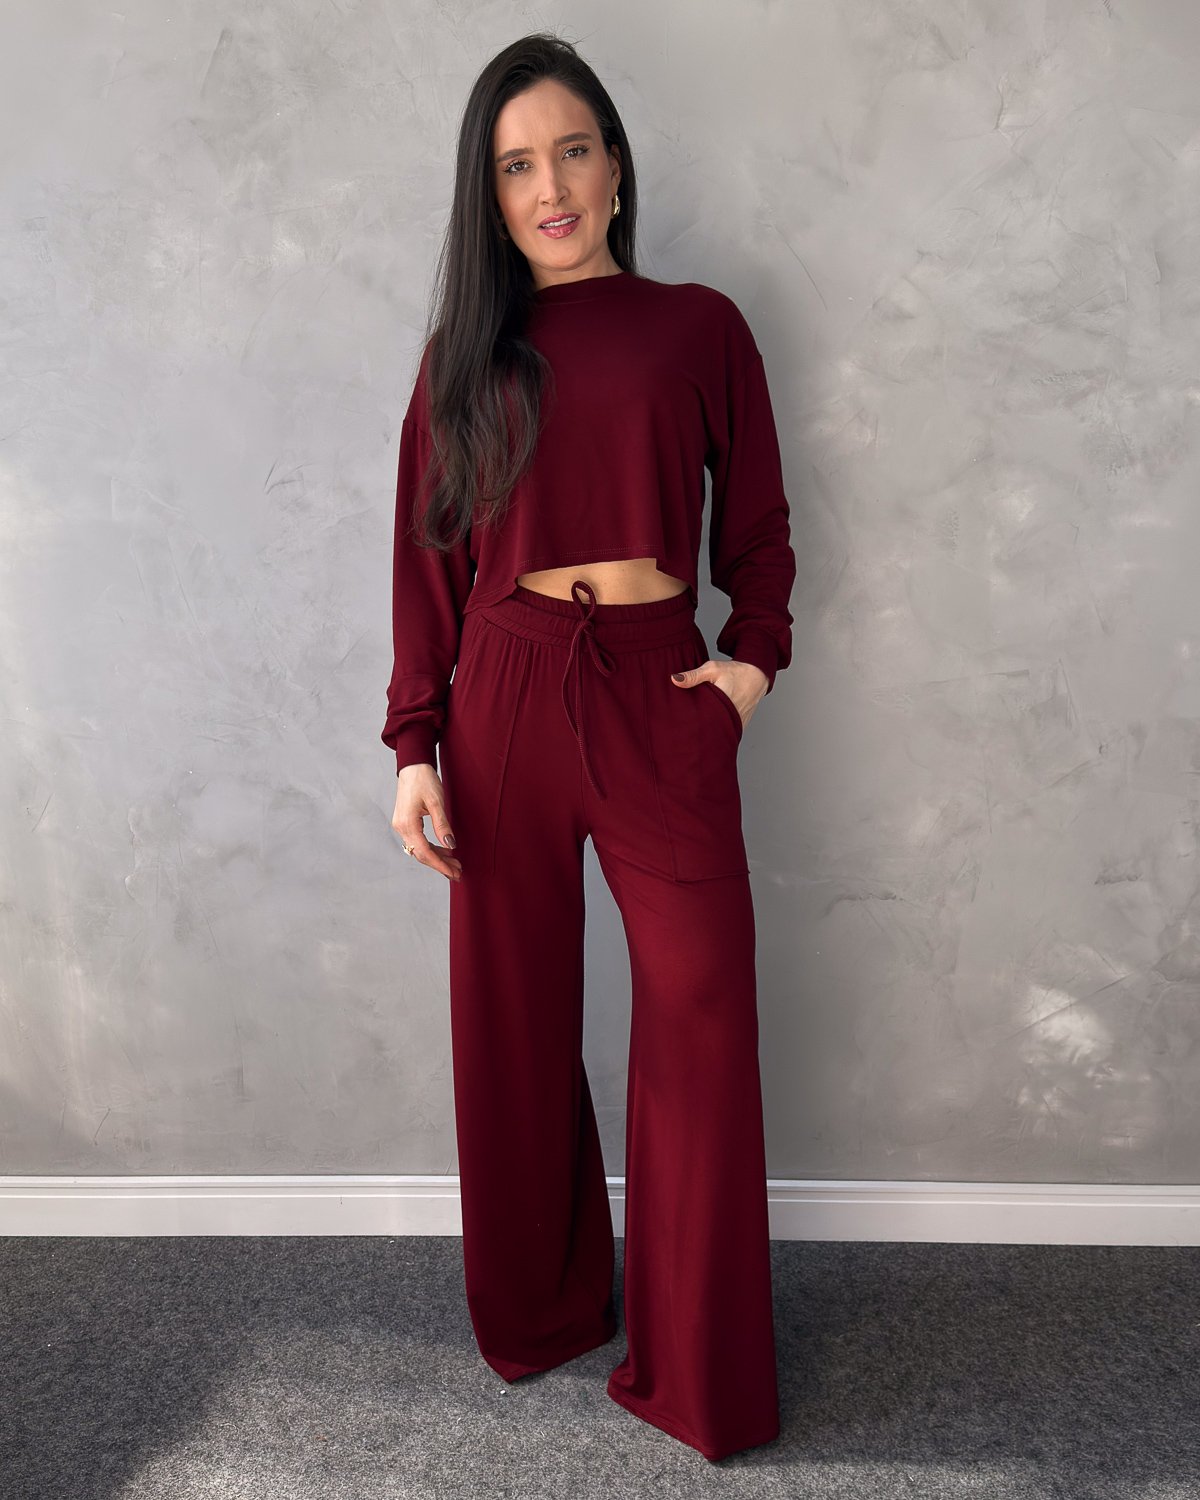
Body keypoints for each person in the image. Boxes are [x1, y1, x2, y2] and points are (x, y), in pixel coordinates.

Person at [382, 32, 795, 1464]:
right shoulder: (464, 359)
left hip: (656, 686)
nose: (548, 188)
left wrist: (747, 670)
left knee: (699, 1009)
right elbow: (429, 558)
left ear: (615, 164)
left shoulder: (700, 327)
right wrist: (414, 745)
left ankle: (696, 1369)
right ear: (489, 197)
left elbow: (759, 528)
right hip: (501, 688)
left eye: (570, 151)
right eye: (515, 167)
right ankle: (544, 1309)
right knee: (511, 1019)